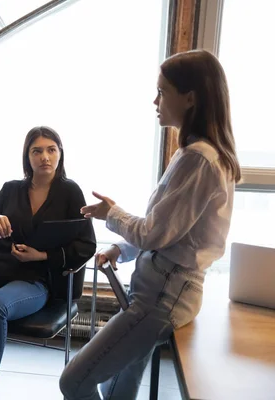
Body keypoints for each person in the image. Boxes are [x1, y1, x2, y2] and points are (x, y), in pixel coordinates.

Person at [59, 49, 241, 400]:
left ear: (190, 98)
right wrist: (122, 248)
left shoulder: (198, 160)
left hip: (162, 299)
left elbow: (156, 232)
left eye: (162, 91)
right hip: (161, 292)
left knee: (74, 381)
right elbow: (171, 231)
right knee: (119, 390)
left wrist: (112, 213)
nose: (155, 100)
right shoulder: (194, 155)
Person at [0, 126, 97, 400]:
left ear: (60, 154)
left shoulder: (70, 192)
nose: (44, 157)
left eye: (51, 150)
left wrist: (42, 256)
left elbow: (87, 245)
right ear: (27, 156)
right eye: (36, 151)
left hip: (36, 279)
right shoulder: (11, 189)